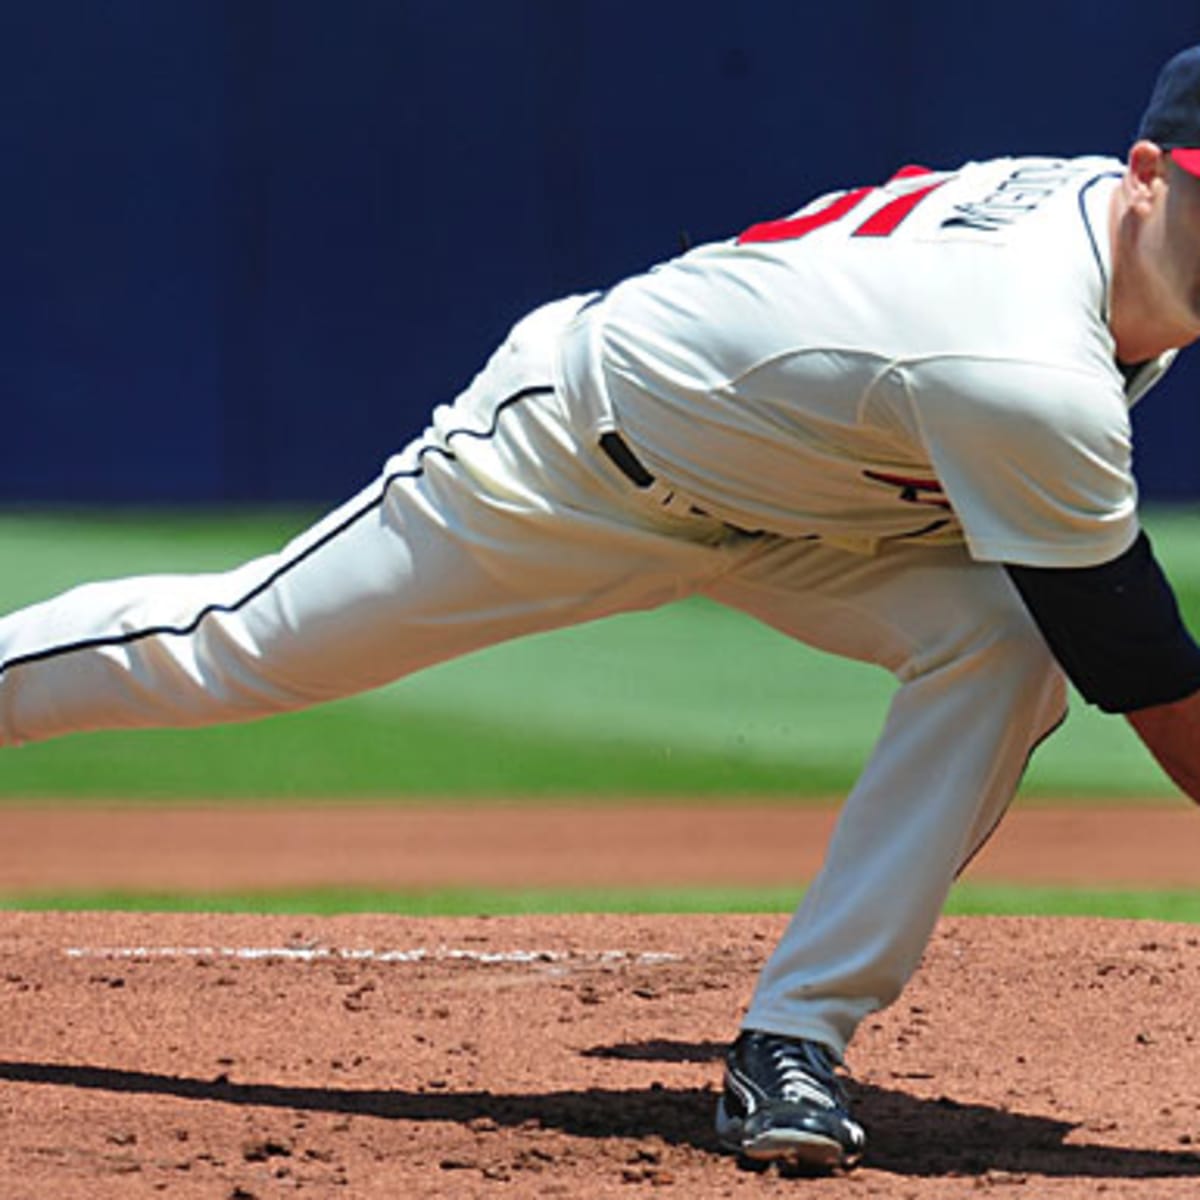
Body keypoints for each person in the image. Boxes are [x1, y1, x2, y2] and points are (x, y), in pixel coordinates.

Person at [6, 45, 1200, 1176]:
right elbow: (1141, 661)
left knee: (998, 642)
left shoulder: (1107, 243)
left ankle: (793, 1039)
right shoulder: (1022, 360)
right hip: (574, 463)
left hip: (815, 498)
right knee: (239, 648)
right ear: (1148, 176)